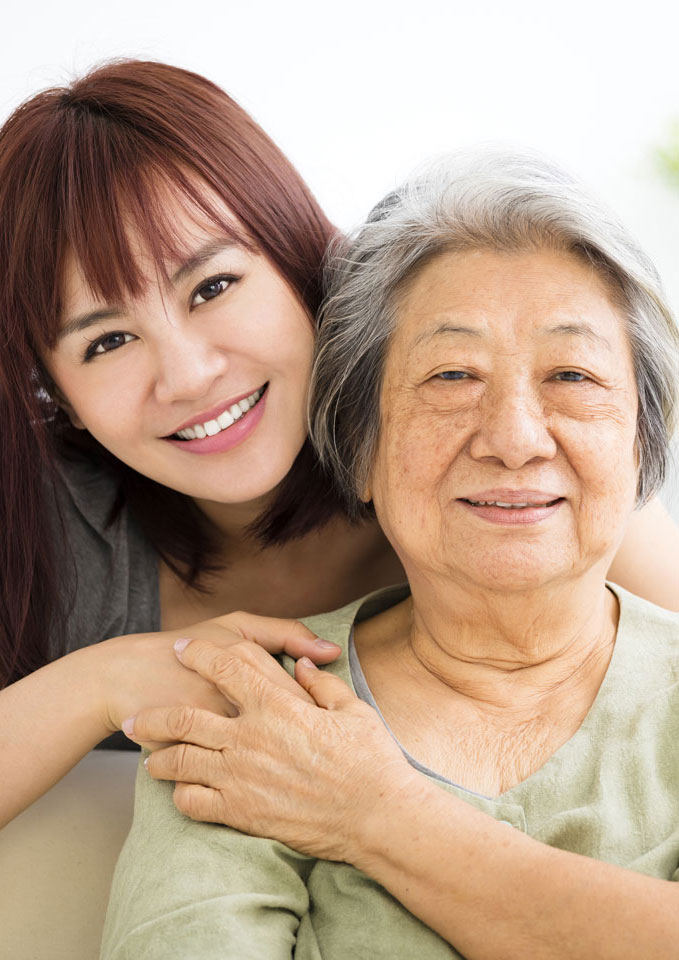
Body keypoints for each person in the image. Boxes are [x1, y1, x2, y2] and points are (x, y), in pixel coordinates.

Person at [0, 59, 676, 828]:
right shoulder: (45, 533)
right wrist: (102, 683)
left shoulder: (491, 443)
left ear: (300, 260)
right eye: (107, 340)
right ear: (62, 397)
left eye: (213, 287)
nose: (188, 376)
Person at [108, 150, 679, 959]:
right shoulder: (255, 720)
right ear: (362, 450)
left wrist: (380, 817)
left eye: (571, 374)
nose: (514, 438)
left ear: (639, 441)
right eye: (450, 374)